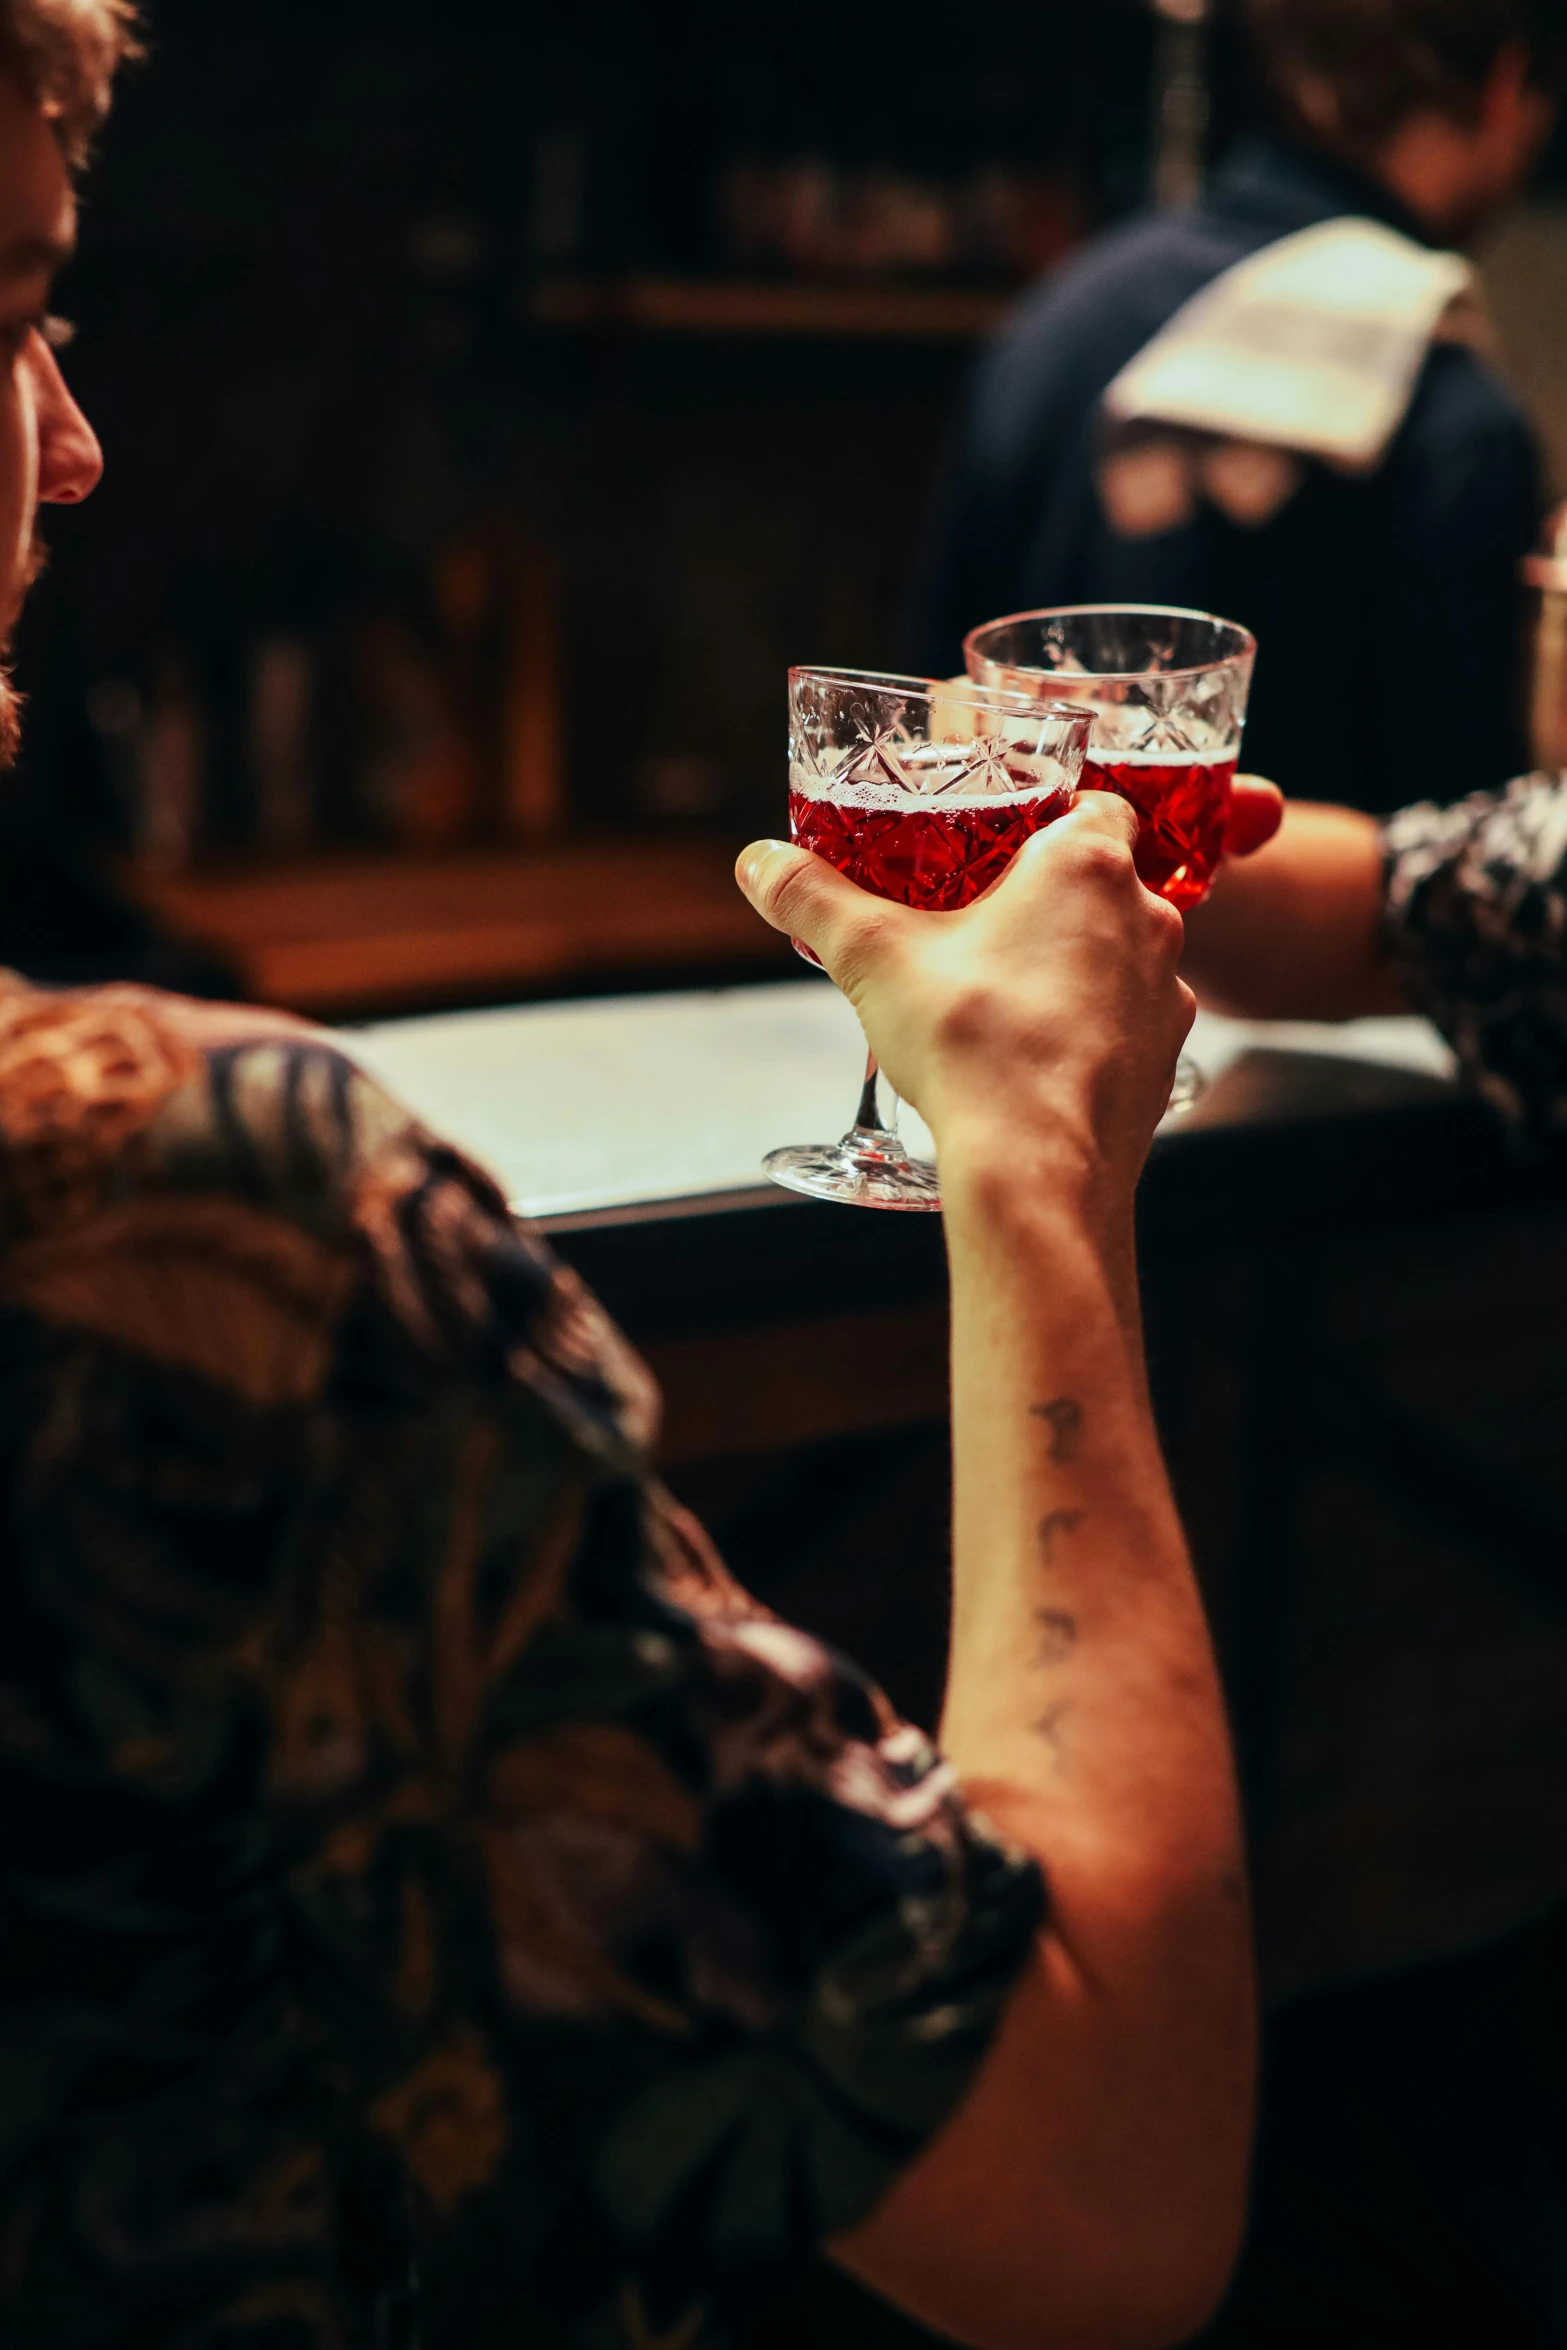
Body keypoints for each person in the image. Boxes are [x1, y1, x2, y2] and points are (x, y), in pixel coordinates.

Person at [0, 9, 1265, 2347]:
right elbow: (1101, 2194)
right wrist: (1027, 1160)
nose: (77, 445)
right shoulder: (220, 1220)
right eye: (6, 314)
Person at [916, 0, 1565, 815]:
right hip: (1288, 937)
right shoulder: (1452, 411)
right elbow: (1457, 870)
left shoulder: (1056, 316)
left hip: (1014, 927)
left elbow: (935, 712)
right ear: (1506, 82)